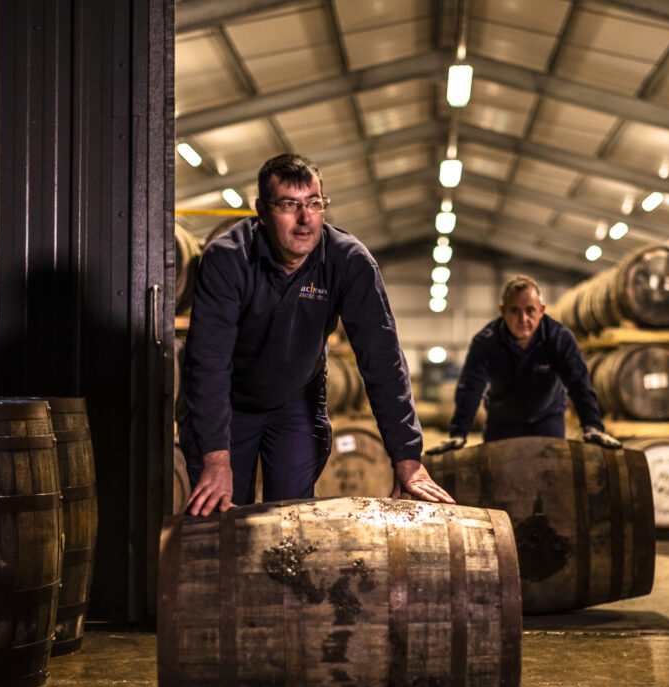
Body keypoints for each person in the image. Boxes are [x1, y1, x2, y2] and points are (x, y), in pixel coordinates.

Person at [180, 153, 454, 515]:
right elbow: (209, 362)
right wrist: (216, 458)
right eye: (290, 205)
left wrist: (407, 455)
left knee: (292, 518)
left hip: (295, 401)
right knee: (217, 517)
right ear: (261, 211)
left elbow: (382, 359)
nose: (305, 218)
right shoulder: (227, 258)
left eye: (314, 203)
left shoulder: (348, 261)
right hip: (229, 403)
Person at [426, 275, 621, 454]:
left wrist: (592, 426)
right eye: (514, 311)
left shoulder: (559, 338)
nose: (523, 319)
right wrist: (458, 433)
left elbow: (579, 384)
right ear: (502, 311)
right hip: (502, 424)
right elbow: (470, 387)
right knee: (499, 485)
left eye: (530, 311)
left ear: (541, 311)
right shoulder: (486, 342)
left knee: (549, 482)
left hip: (547, 421)